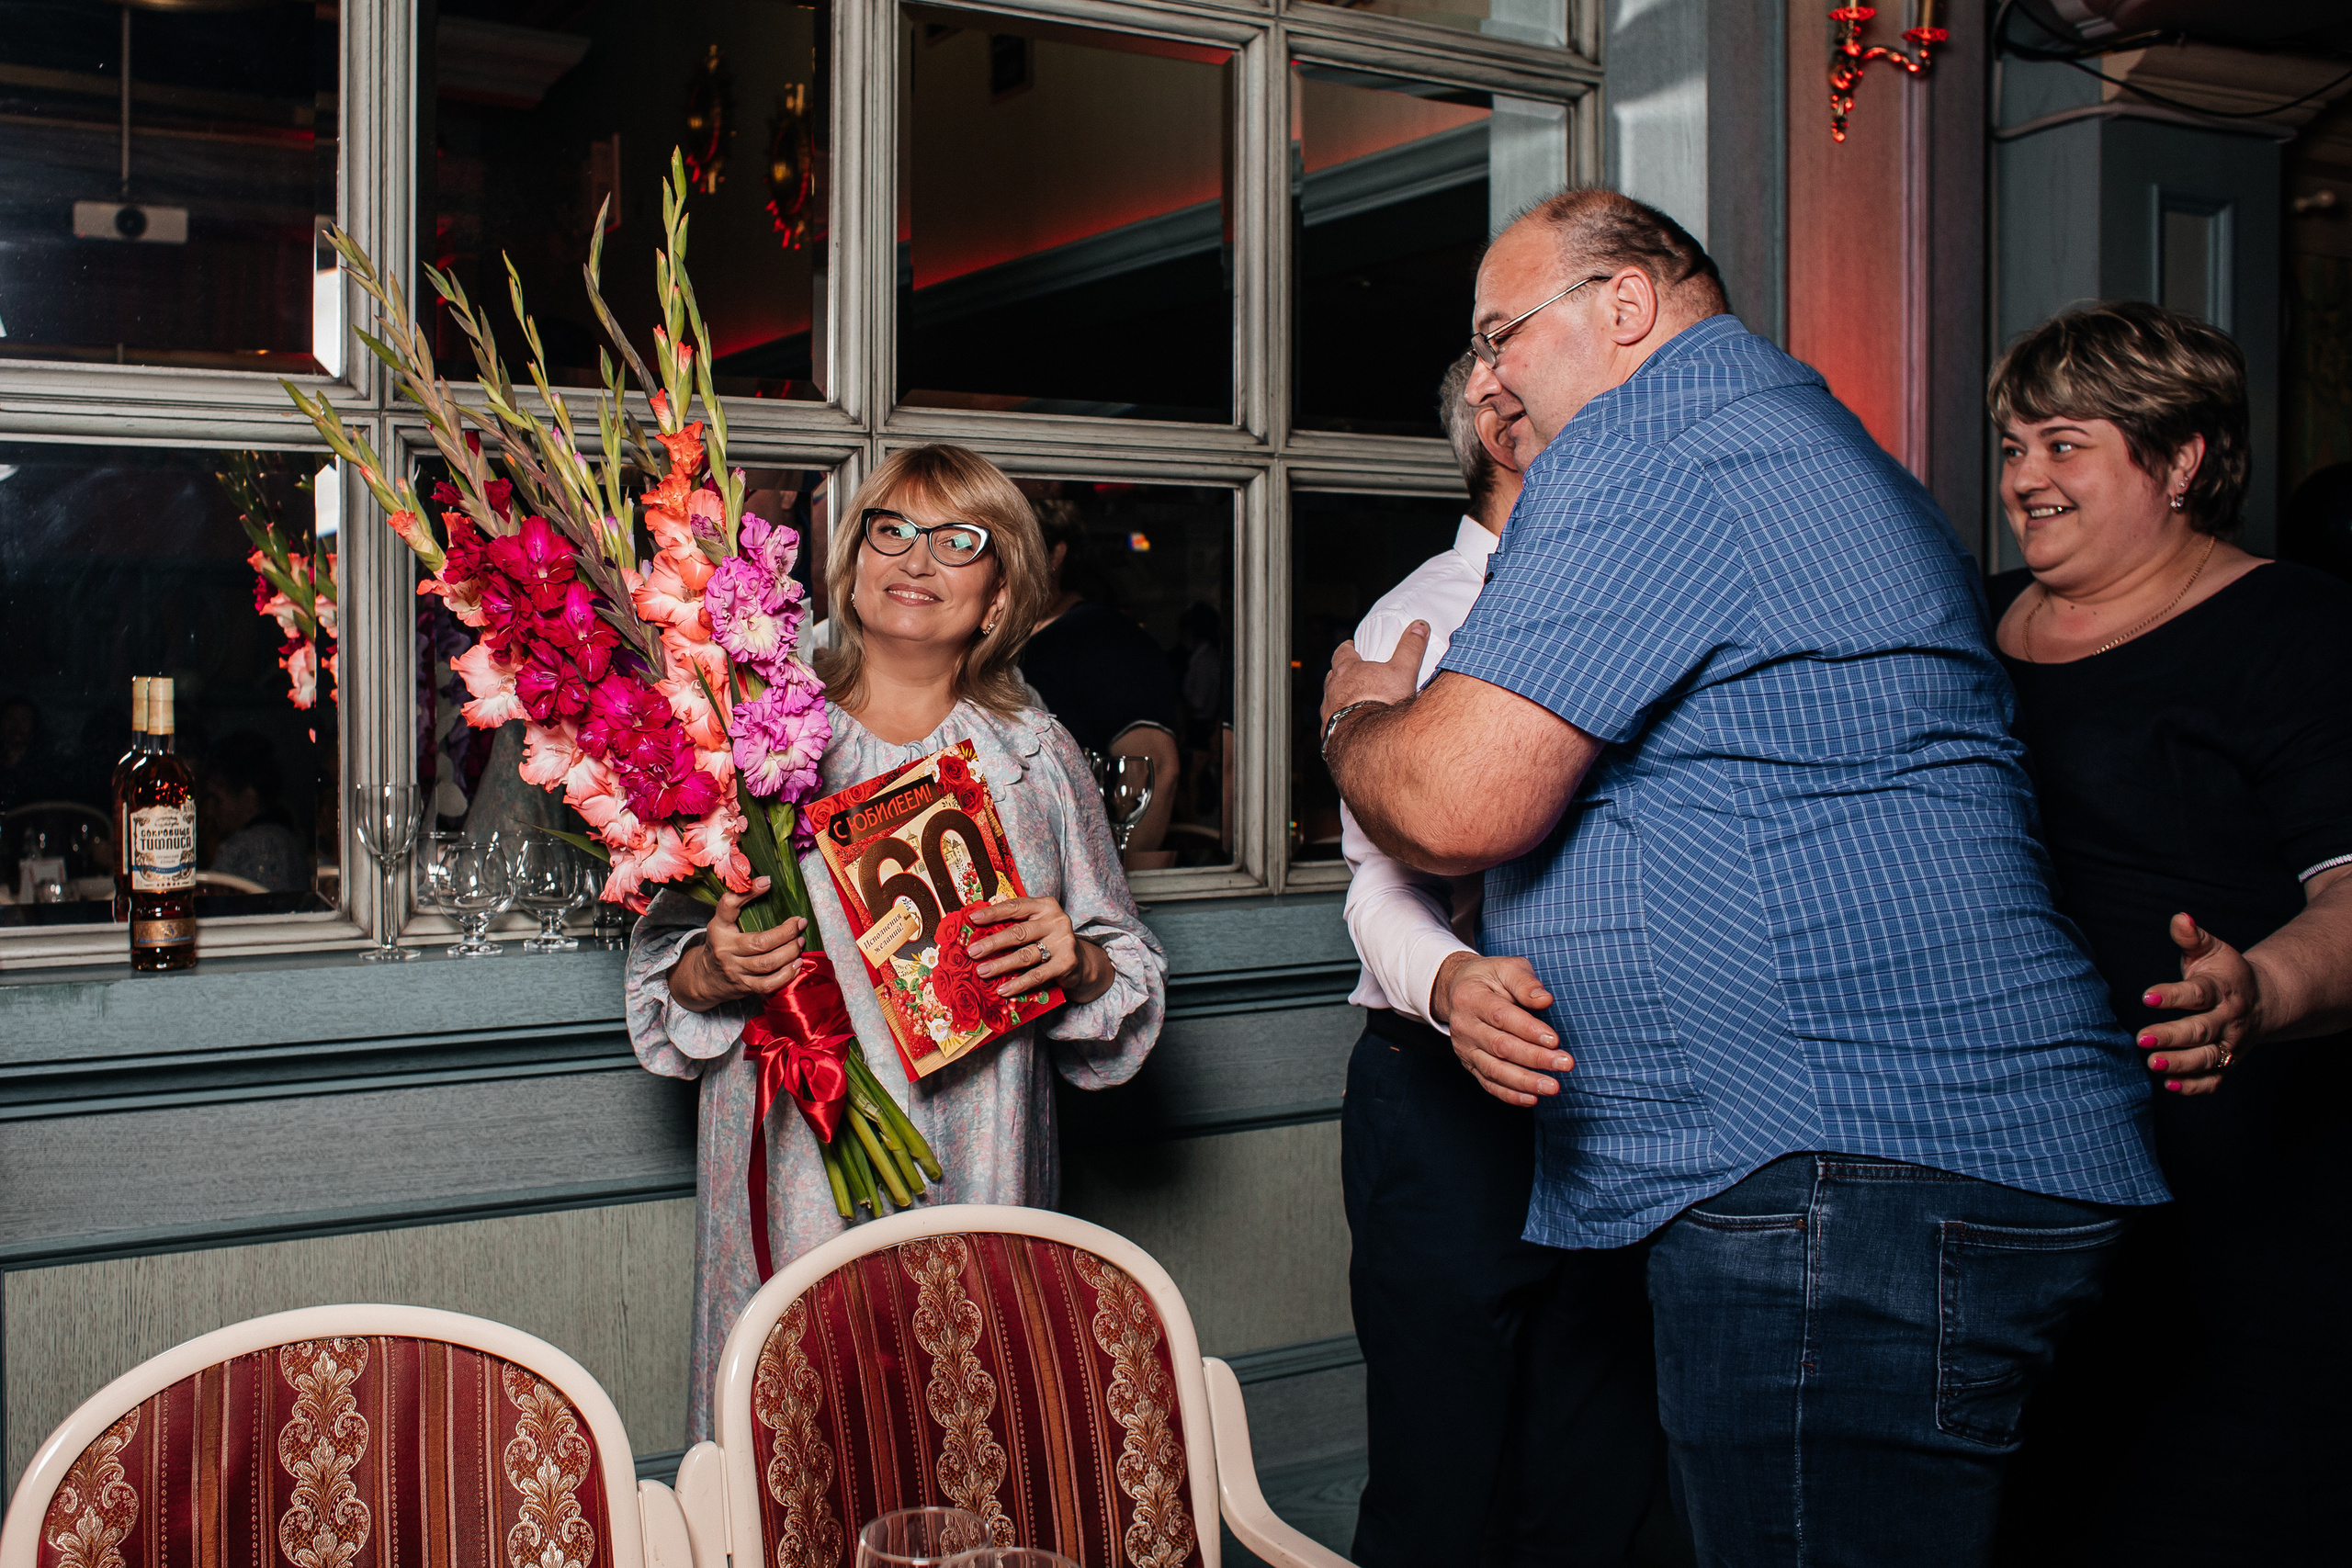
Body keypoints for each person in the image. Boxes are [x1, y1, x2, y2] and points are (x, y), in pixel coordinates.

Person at [1320, 189, 2167, 1567]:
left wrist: (1354, 716)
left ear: (1626, 308)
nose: (1484, 382)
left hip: (1850, 1161)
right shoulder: (1807, 436)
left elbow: (1454, 799)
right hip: (1887, 1156)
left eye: (1500, 335)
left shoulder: (1654, 439)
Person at [624, 444, 1169, 1444]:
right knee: (799, 1437)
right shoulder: (751, 733)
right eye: (892, 529)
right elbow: (667, 965)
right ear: (852, 559)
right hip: (792, 1155)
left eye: (958, 541)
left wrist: (1076, 958)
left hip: (979, 1154)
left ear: (1001, 592)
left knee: (966, 1433)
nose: (916, 560)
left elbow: (1124, 963)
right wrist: (711, 969)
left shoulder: (1032, 758)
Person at [1981, 302, 2352, 1565]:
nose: (2025, 476)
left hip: (2237, 1195)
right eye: (2013, 445)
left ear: (2182, 457)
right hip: (2017, 1184)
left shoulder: (2294, 630)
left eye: (2064, 443)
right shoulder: (1963, 625)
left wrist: (2260, 987)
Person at [1341, 354, 1667, 1568]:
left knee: (1600, 1464)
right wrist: (1453, 983)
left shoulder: (1640, 599)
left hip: (1621, 1087)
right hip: (1445, 1095)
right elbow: (1375, 883)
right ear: (1503, 420)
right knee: (1443, 1473)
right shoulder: (1415, 618)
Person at [1018, 495, 1183, 862]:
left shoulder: (1101, 636)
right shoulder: (1000, 642)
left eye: (1015, 544)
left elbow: (1156, 767)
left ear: (1055, 556)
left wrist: (1117, 893)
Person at [202, 733, 305, 892]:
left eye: (217, 800)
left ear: (248, 798)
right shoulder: (288, 840)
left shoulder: (238, 848)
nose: (210, 811)